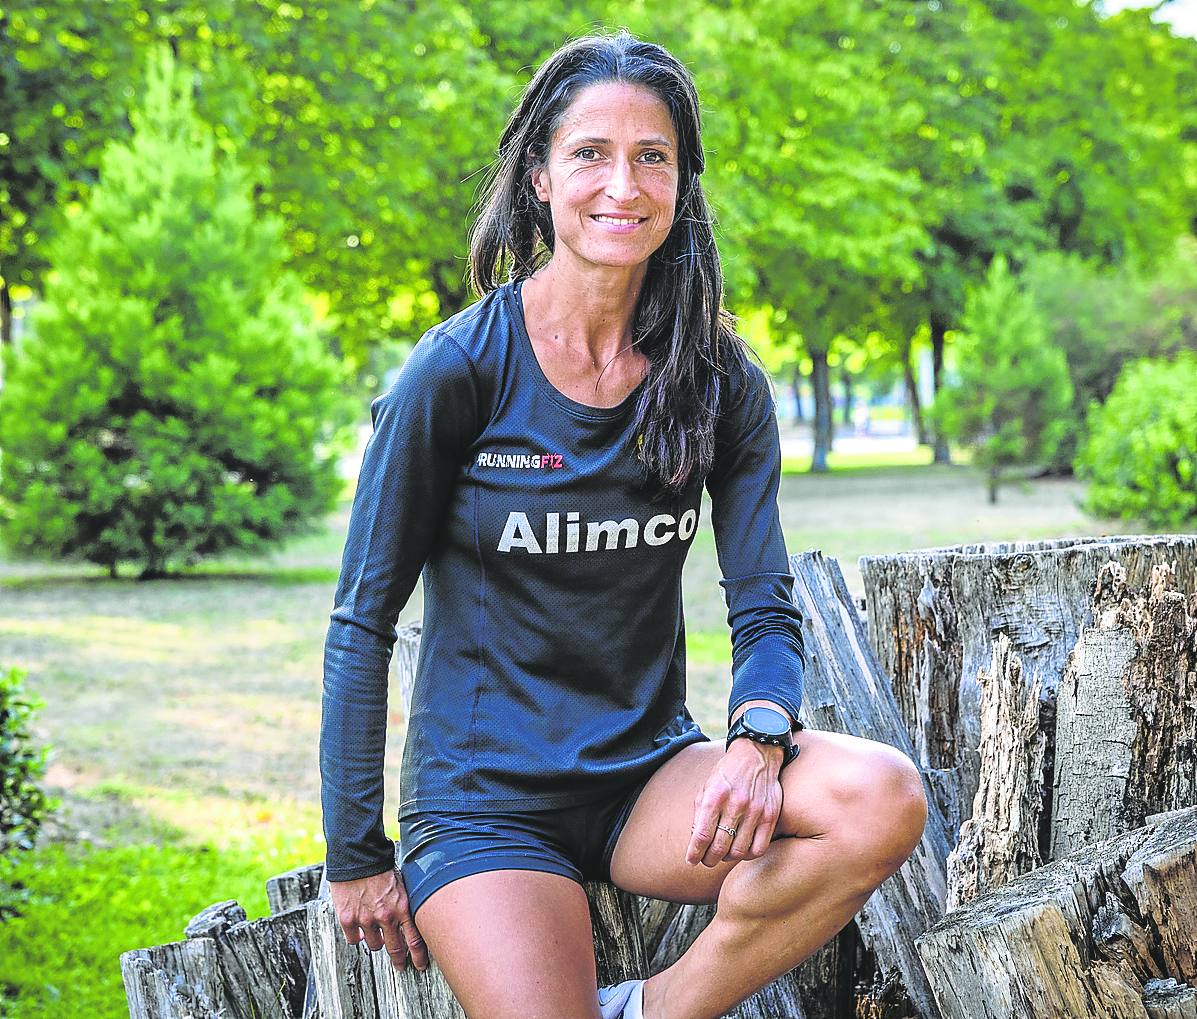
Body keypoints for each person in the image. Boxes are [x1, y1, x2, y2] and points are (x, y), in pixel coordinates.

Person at [318, 28, 928, 1019]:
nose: (625, 183)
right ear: (539, 180)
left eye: (655, 156)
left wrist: (759, 736)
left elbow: (765, 605)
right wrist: (355, 852)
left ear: (683, 186)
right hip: (483, 805)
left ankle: (650, 1007)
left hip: (648, 778)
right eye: (591, 153)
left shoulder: (721, 382)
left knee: (883, 796)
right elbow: (360, 620)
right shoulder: (458, 371)